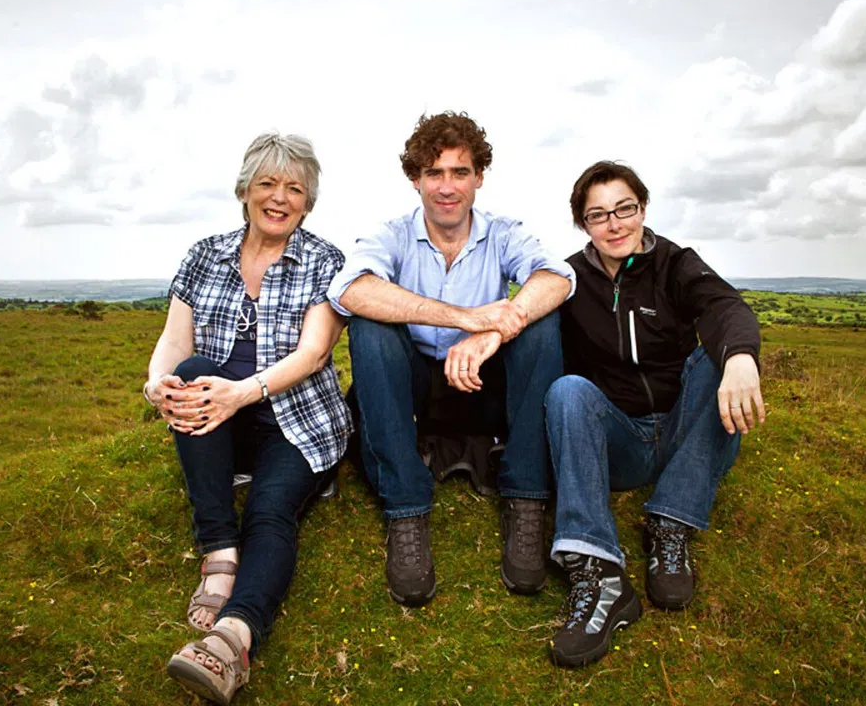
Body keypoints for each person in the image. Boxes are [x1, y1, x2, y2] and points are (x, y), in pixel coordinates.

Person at [327, 111, 575, 607]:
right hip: (417, 390)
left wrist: (492, 332)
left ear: (479, 177)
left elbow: (557, 276)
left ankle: (525, 498)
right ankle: (406, 508)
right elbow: (350, 289)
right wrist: (464, 318)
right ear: (415, 179)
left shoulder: (502, 232)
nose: (446, 187)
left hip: (483, 385)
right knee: (371, 326)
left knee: (541, 322)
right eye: (433, 172)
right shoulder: (393, 234)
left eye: (460, 172)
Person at [145, 132, 351, 703]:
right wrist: (156, 383)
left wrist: (241, 393)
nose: (280, 197)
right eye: (267, 183)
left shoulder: (324, 260)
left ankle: (233, 638)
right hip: (222, 415)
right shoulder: (204, 254)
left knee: (270, 509)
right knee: (190, 371)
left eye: (295, 189)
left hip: (297, 419)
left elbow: (314, 354)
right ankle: (219, 549)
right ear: (244, 191)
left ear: (308, 202)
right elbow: (174, 341)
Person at [545, 160, 764, 668]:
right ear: (583, 224)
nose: (614, 224)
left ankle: (670, 523)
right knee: (567, 391)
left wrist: (740, 357)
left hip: (686, 434)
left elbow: (724, 305)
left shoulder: (675, 263)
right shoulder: (570, 278)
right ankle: (598, 571)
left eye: (624, 209)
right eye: (598, 215)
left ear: (643, 209)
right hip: (620, 441)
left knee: (718, 357)